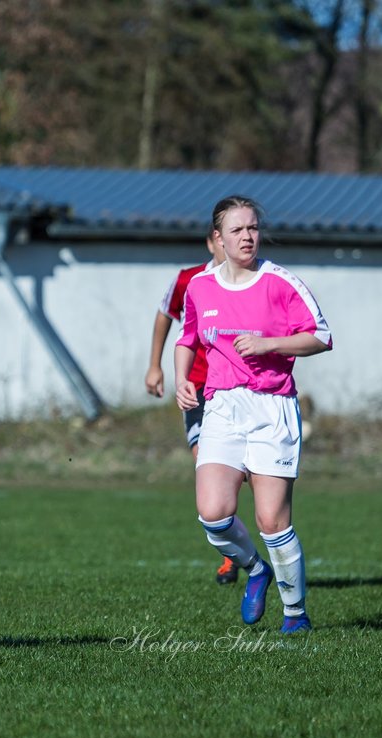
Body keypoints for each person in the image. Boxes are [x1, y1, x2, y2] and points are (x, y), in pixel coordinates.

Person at [174, 196, 332, 634]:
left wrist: (269, 344)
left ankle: (295, 615)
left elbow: (320, 335)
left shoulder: (280, 282)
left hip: (272, 407)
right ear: (218, 238)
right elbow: (187, 338)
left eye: (253, 228)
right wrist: (182, 379)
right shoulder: (200, 287)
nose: (247, 236)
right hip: (221, 406)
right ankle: (255, 569)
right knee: (213, 512)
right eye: (238, 229)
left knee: (271, 520)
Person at [144, 228, 238, 585]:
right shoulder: (189, 280)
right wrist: (156, 365)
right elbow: (164, 315)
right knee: (207, 464)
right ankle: (231, 554)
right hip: (198, 387)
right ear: (213, 242)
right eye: (226, 236)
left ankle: (246, 545)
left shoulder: (250, 282)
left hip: (239, 388)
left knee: (241, 474)